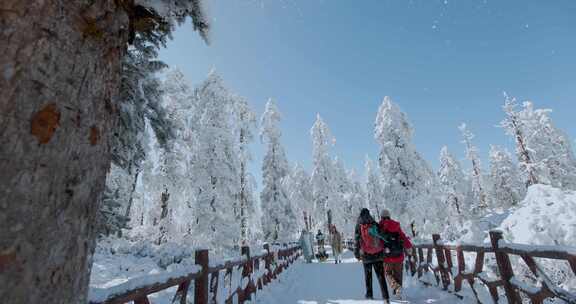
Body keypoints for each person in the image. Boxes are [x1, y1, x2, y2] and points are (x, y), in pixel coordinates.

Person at [354, 208, 390, 302]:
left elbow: (356, 240)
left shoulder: (359, 225)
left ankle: (369, 294)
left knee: (368, 275)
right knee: (381, 276)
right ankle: (385, 297)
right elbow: (381, 236)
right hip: (378, 254)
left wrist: (356, 254)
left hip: (366, 256)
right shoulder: (374, 223)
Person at [378, 209, 413, 300]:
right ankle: (398, 294)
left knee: (388, 273)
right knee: (398, 275)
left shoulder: (380, 226)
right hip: (399, 255)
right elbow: (403, 237)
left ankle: (396, 288)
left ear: (381, 217)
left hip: (387, 256)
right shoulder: (396, 225)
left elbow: (379, 242)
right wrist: (409, 247)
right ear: (389, 216)